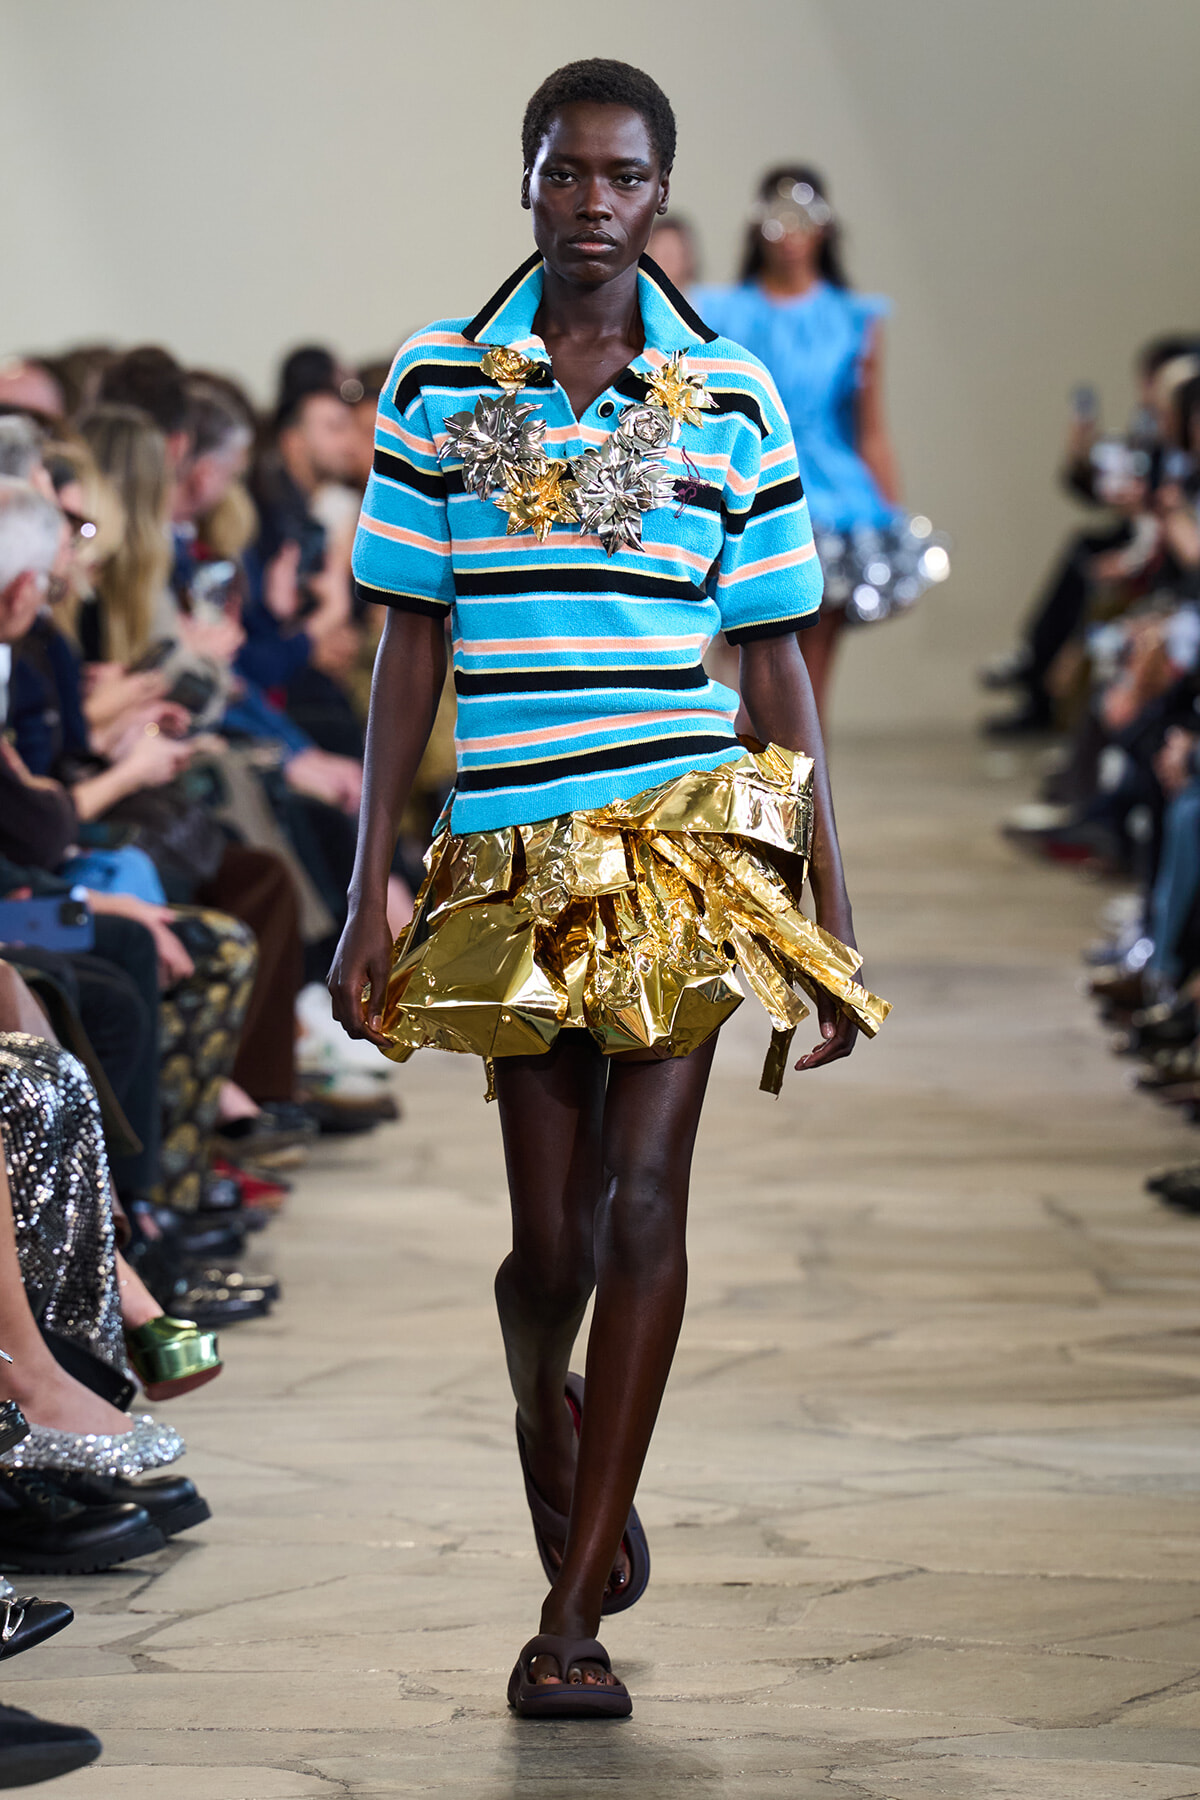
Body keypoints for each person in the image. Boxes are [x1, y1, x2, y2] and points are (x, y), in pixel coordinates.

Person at [329, 58, 887, 1719]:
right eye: (564, 171)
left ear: (658, 197)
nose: (590, 199)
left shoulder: (729, 400)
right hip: (503, 842)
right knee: (548, 1244)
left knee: (647, 1211)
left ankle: (570, 1616)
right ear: (527, 183)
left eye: (621, 176)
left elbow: (777, 656)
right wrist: (374, 884)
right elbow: (405, 642)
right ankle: (541, 1407)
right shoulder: (441, 382)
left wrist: (828, 899)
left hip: (676, 849)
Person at [694, 166, 906, 720]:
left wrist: (893, 517)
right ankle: (745, 795)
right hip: (746, 487)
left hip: (834, 505)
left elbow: (871, 427)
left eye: (803, 218)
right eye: (776, 219)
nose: (789, 233)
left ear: (826, 227)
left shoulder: (854, 318)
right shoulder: (719, 312)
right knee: (737, 672)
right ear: (755, 225)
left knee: (808, 685)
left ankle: (805, 803)